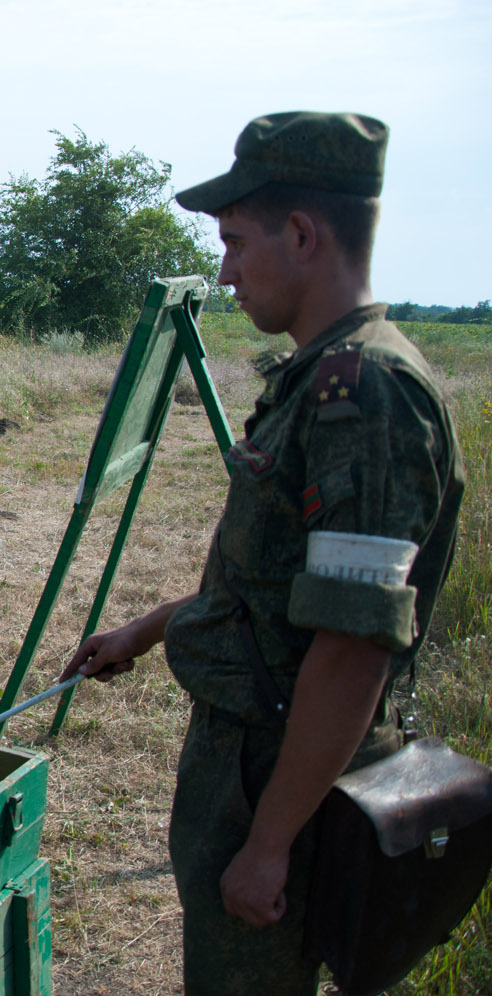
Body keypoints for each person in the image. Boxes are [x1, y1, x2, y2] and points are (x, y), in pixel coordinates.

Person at [61, 112, 464, 994]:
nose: (227, 272)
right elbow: (280, 587)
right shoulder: (324, 376)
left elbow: (354, 648)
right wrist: (150, 628)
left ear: (305, 235)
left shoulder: (367, 395)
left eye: (236, 244)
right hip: (254, 763)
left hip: (280, 778)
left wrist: (271, 843)